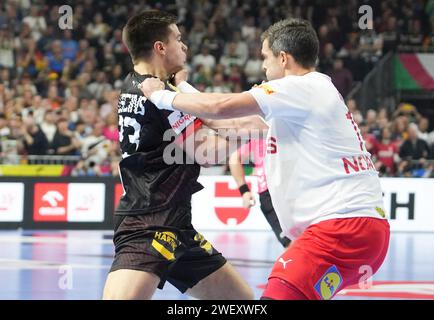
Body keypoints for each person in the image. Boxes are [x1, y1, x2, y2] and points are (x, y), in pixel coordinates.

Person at [140, 18, 390, 300]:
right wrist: (182, 88)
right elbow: (230, 123)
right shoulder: (304, 98)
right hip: (360, 230)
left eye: (265, 57)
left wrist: (160, 95)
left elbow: (222, 107)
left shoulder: (300, 87)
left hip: (341, 228)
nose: (263, 66)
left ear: (283, 58)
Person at [102, 10, 253, 300]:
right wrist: (251, 131)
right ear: (160, 47)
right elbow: (208, 153)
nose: (184, 46)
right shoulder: (161, 95)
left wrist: (181, 86)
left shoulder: (135, 85)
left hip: (178, 225)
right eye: (178, 39)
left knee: (241, 302)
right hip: (149, 225)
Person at [229, 139, 291, 247]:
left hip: (275, 192)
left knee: (294, 244)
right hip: (277, 192)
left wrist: (244, 191)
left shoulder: (258, 131)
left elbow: (234, 159)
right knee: (294, 244)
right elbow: (234, 159)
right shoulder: (260, 133)